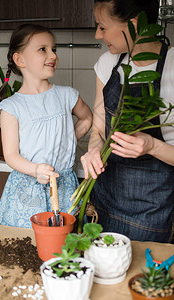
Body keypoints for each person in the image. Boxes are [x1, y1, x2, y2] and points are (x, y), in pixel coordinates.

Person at [81, 0, 174, 242]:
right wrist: (93, 151)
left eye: (102, 27)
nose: (97, 35)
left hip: (151, 213)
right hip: (102, 201)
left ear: (133, 25)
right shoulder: (108, 63)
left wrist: (153, 146)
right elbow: (99, 129)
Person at [0, 24, 92, 228]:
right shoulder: (12, 107)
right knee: (24, 248)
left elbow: (87, 118)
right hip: (26, 191)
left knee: (63, 250)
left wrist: (67, 140)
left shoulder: (67, 95)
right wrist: (35, 169)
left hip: (65, 187)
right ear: (19, 59)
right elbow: (11, 155)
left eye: (54, 49)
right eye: (43, 49)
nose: (53, 55)